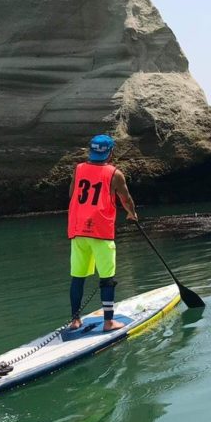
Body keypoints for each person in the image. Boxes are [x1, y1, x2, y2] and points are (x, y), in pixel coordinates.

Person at [67, 134, 138, 332]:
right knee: (107, 278)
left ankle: (75, 320)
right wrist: (132, 214)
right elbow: (126, 198)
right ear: (110, 152)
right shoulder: (115, 174)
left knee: (77, 277)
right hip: (101, 232)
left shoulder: (78, 169)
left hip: (78, 230)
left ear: (91, 151)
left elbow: (72, 194)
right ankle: (108, 322)